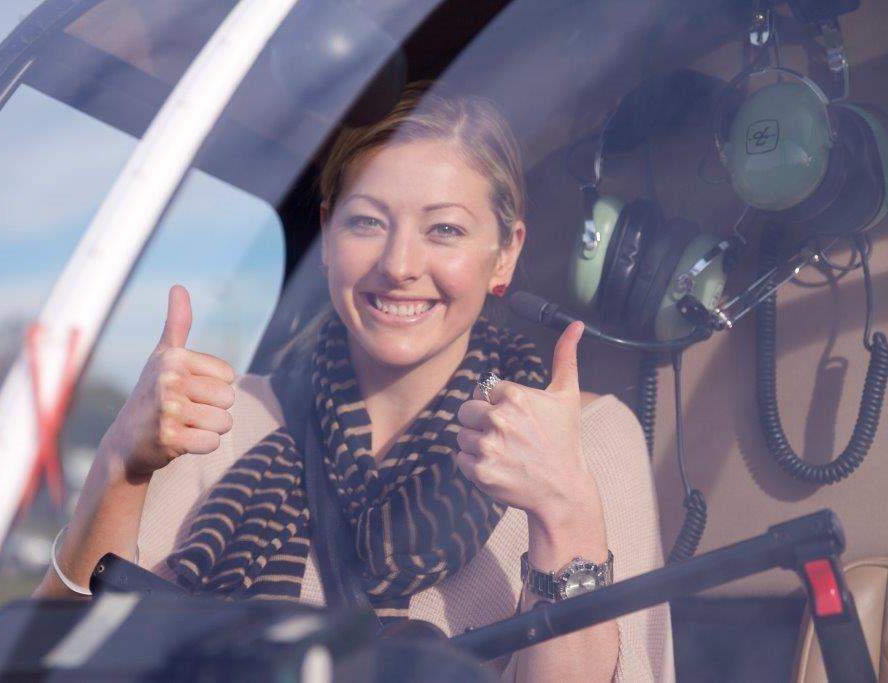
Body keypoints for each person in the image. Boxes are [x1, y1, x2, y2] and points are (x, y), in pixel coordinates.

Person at [34, 82, 674, 681]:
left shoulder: (584, 437)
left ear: (504, 253)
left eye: (444, 230)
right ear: (329, 236)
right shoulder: (221, 418)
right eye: (367, 221)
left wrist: (562, 510)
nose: (399, 265)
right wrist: (123, 462)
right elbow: (61, 660)